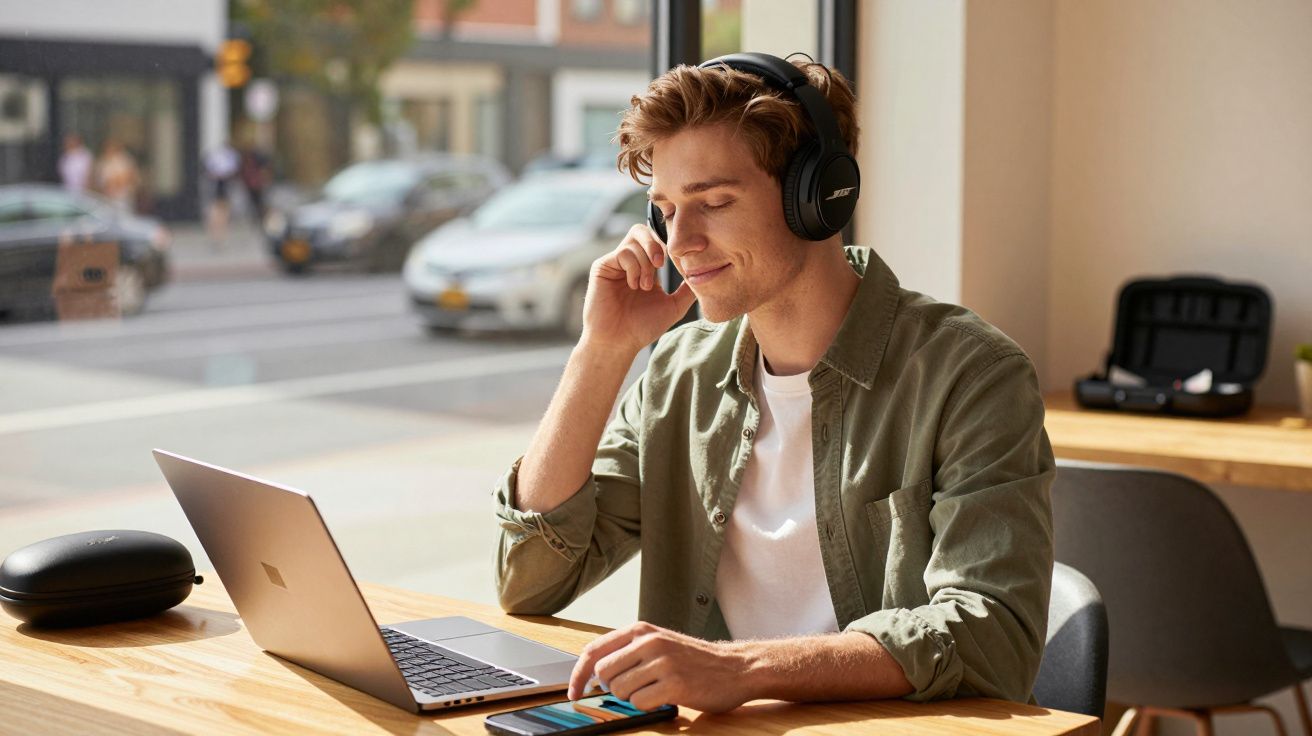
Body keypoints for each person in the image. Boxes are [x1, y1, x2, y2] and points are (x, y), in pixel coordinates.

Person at [493, 53, 1054, 715]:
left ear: (818, 197)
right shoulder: (679, 374)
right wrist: (601, 353)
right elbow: (530, 580)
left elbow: (992, 635)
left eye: (714, 203)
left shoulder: (971, 374)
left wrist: (743, 669)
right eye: (666, 212)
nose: (681, 242)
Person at [204, 141, 240, 246]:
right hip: (216, 192)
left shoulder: (229, 161)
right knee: (215, 215)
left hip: (223, 192)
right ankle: (217, 235)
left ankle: (220, 236)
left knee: (222, 215)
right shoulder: (217, 163)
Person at [95, 139, 139, 213]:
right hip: (105, 197)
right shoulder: (103, 161)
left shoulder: (123, 160)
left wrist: (113, 186)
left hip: (120, 197)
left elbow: (127, 177)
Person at [239, 142, 273, 225]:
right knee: (256, 202)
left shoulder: (254, 162)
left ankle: (262, 217)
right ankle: (259, 218)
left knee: (259, 202)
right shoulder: (249, 162)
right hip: (253, 184)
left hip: (256, 184)